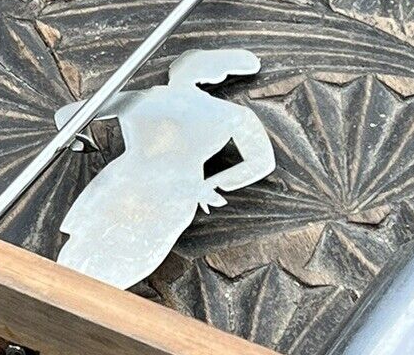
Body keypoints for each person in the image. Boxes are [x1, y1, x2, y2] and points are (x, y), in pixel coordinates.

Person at [53, 48, 275, 290]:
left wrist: (81, 142)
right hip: (160, 187)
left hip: (134, 180)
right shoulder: (233, 114)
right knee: (114, 248)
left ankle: (66, 297)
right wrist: (209, 184)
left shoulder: (141, 98)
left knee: (115, 249)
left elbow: (69, 114)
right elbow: (261, 161)